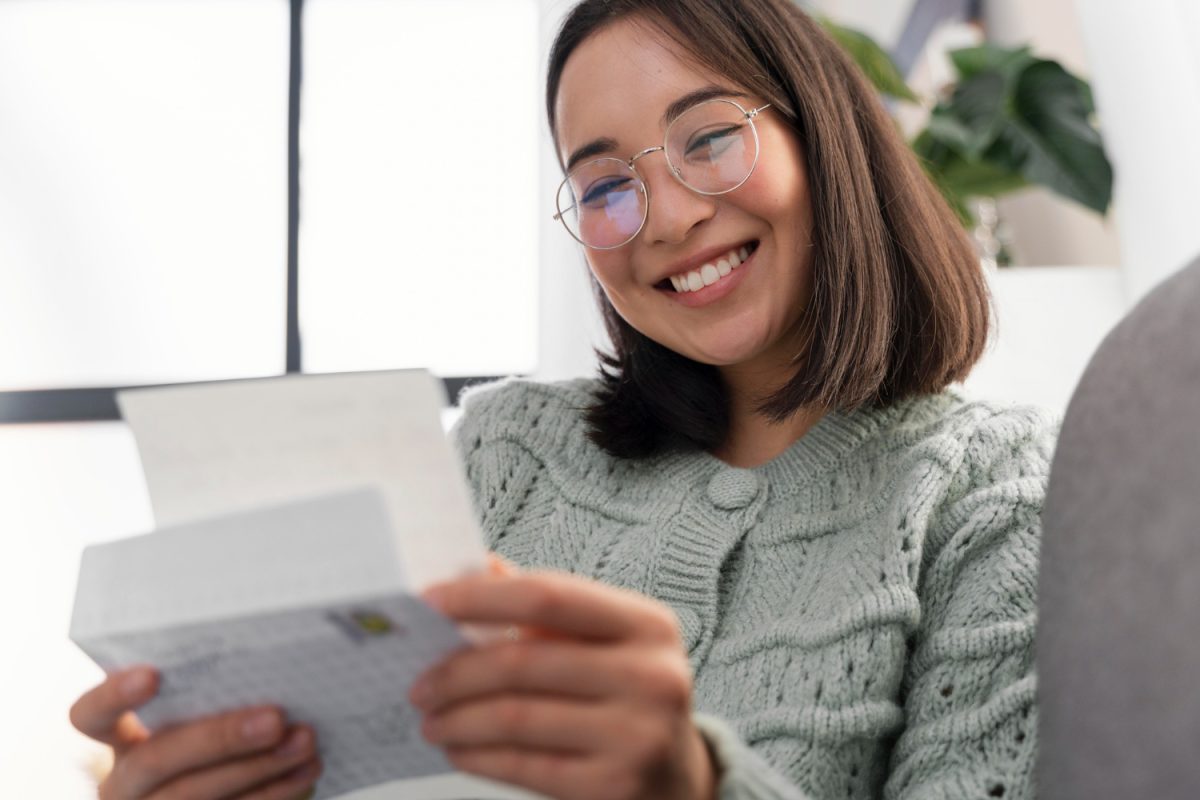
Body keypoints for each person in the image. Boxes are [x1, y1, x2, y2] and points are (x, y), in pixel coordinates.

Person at [69, 1, 1057, 798]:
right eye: (603, 186)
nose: (665, 216)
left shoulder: (993, 493)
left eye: (710, 137)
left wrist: (695, 788)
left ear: (825, 140)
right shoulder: (510, 450)